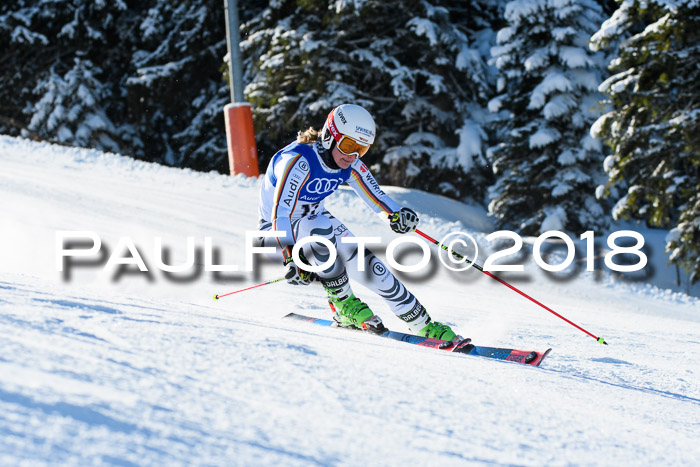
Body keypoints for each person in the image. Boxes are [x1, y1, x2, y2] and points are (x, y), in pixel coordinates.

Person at [257, 103, 458, 341]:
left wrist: (396, 216)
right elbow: (280, 214)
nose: (353, 155)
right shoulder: (297, 161)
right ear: (331, 136)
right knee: (319, 225)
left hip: (316, 230)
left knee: (371, 266)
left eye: (361, 149)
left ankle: (423, 325)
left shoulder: (349, 163)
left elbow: (376, 198)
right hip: (275, 236)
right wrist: (288, 256)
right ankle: (343, 304)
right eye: (349, 145)